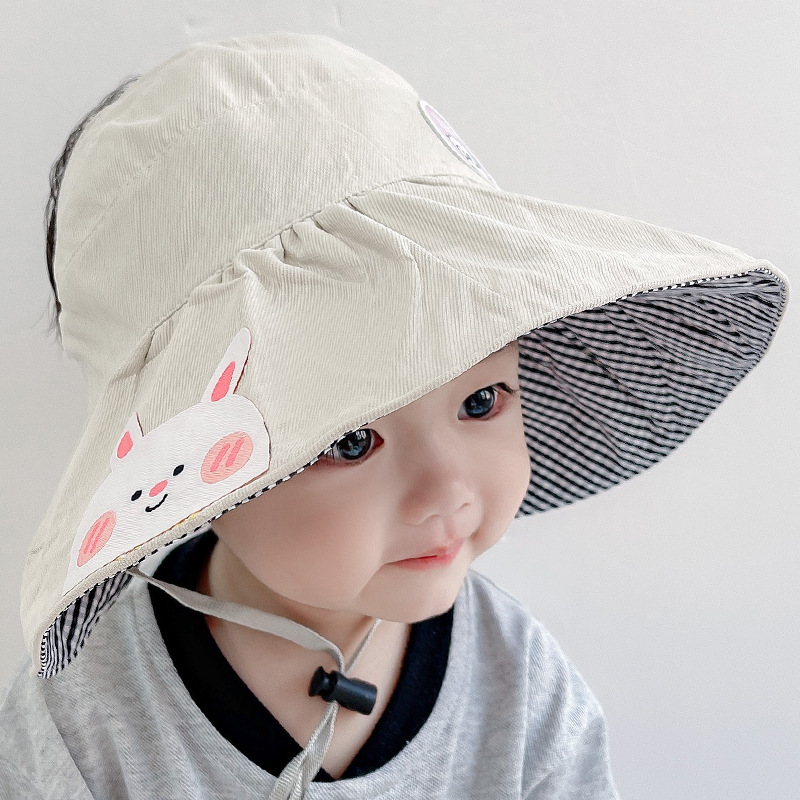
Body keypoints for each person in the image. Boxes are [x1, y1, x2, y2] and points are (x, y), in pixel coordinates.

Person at [0, 32, 789, 799]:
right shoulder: (88, 718)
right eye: (352, 439)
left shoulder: (520, 689)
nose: (448, 490)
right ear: (195, 465)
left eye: (481, 401)